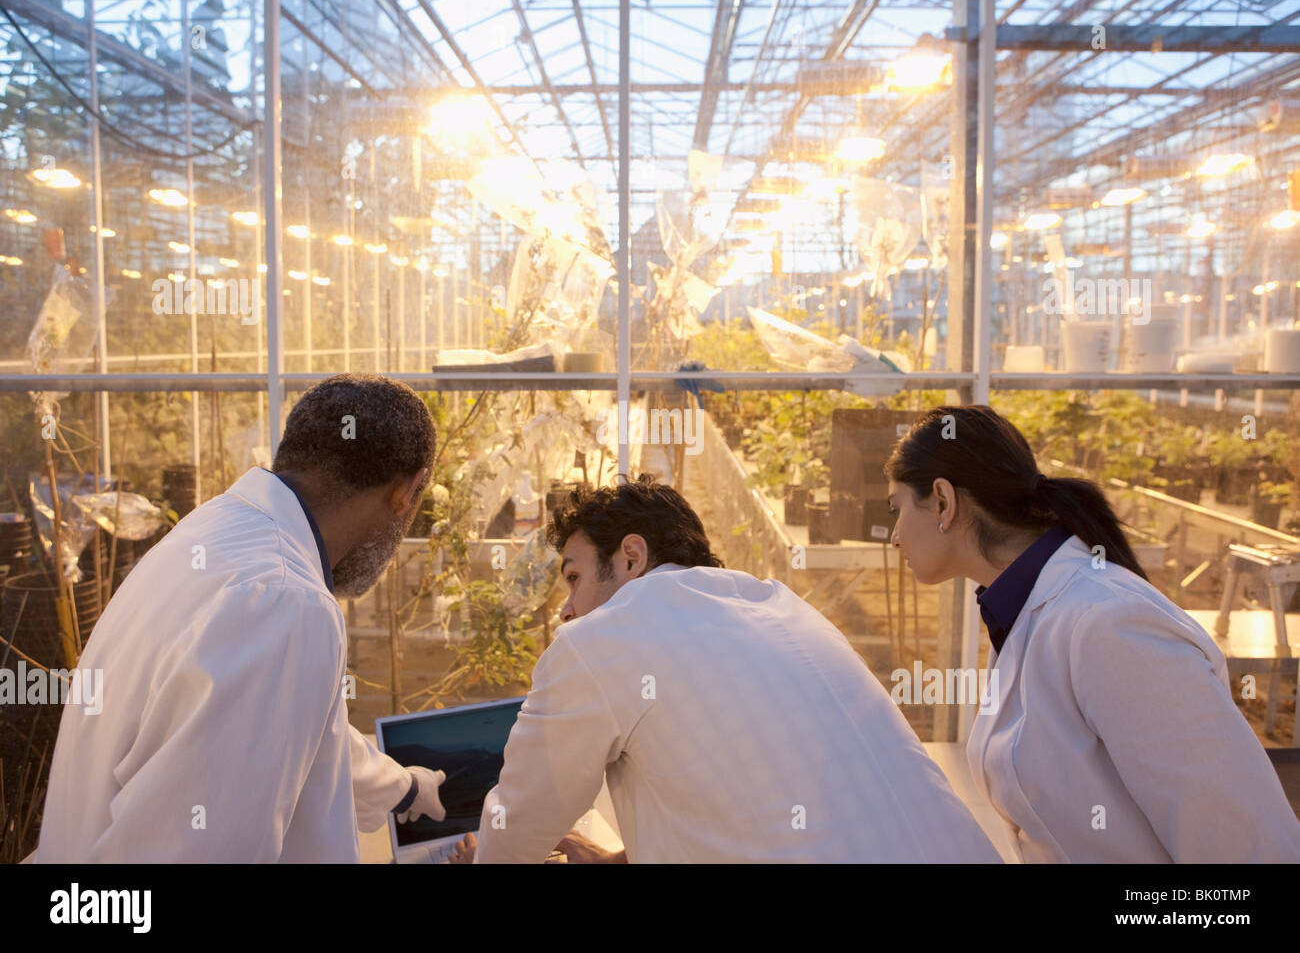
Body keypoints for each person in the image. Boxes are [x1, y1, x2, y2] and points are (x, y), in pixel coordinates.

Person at [450, 474, 1001, 863]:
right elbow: (761, 796)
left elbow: (522, 819)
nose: (566, 609)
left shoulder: (597, 640)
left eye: (573, 578)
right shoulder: (778, 605)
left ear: (631, 558)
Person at [37, 374, 448, 862]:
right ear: (407, 490)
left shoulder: (217, 530)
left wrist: (404, 788)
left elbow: (306, 731)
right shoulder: (283, 601)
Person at [885, 404, 1300, 863]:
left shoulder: (1110, 623)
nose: (895, 537)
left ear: (943, 501)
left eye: (896, 508)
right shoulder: (1025, 610)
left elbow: (1250, 849)